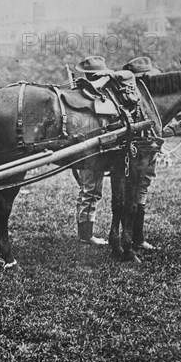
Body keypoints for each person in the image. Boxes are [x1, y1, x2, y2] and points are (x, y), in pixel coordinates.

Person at [121, 56, 164, 250]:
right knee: (136, 189)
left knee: (142, 188)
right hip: (136, 151)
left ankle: (137, 236)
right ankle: (133, 236)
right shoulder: (132, 98)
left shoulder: (148, 100)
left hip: (146, 150)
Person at [72, 56, 111, 245]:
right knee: (91, 191)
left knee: (89, 190)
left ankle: (85, 233)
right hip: (92, 151)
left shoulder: (81, 93)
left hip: (89, 149)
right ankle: (86, 235)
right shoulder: (94, 96)